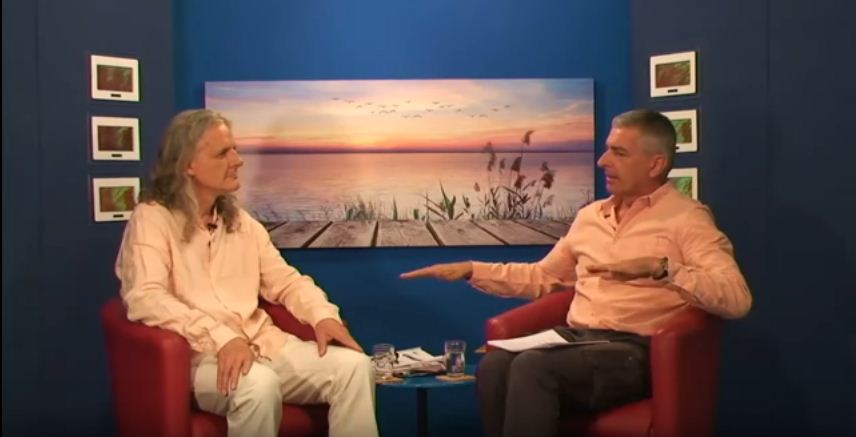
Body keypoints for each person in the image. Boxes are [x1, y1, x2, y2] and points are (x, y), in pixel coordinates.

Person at [401, 109, 752, 437]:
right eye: (607, 150)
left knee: (533, 366)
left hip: (634, 351)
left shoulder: (687, 219)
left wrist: (663, 269)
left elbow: (736, 299)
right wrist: (470, 270)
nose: (603, 161)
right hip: (575, 341)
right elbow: (543, 277)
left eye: (619, 153)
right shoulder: (590, 216)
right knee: (494, 365)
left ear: (655, 164)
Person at [115, 109, 379, 437]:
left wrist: (322, 316)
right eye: (223, 153)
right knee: (258, 384)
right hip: (198, 358)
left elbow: (285, 280)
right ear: (187, 165)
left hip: (264, 345)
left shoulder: (241, 222)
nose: (238, 161)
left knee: (355, 367)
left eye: (235, 150)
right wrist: (222, 337)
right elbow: (145, 297)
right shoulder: (152, 218)